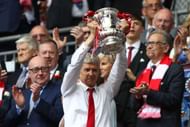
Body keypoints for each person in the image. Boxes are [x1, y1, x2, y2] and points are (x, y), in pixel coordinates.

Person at [60, 20, 126, 127]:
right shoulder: (69, 89)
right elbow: (74, 64)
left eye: (94, 70)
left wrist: (121, 39)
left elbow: (120, 67)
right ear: (79, 72)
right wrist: (91, 38)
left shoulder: (107, 91)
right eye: (87, 70)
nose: (91, 73)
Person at [130, 29, 185, 127]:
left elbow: (174, 100)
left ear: (166, 48)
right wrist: (137, 96)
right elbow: (133, 106)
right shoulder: (143, 72)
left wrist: (148, 92)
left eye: (154, 43)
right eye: (148, 43)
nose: (149, 46)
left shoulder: (175, 69)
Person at [4, 56, 63, 127]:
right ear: (29, 73)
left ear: (49, 70)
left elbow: (59, 118)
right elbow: (6, 123)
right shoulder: (23, 93)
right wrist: (19, 107)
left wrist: (38, 101)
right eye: (36, 69)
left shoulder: (59, 90)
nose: (40, 73)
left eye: (44, 69)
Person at [115, 15, 149, 127]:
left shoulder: (148, 52)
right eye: (129, 23)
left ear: (143, 29)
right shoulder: (113, 50)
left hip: (137, 109)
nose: (132, 26)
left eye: (136, 23)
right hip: (116, 108)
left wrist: (135, 78)